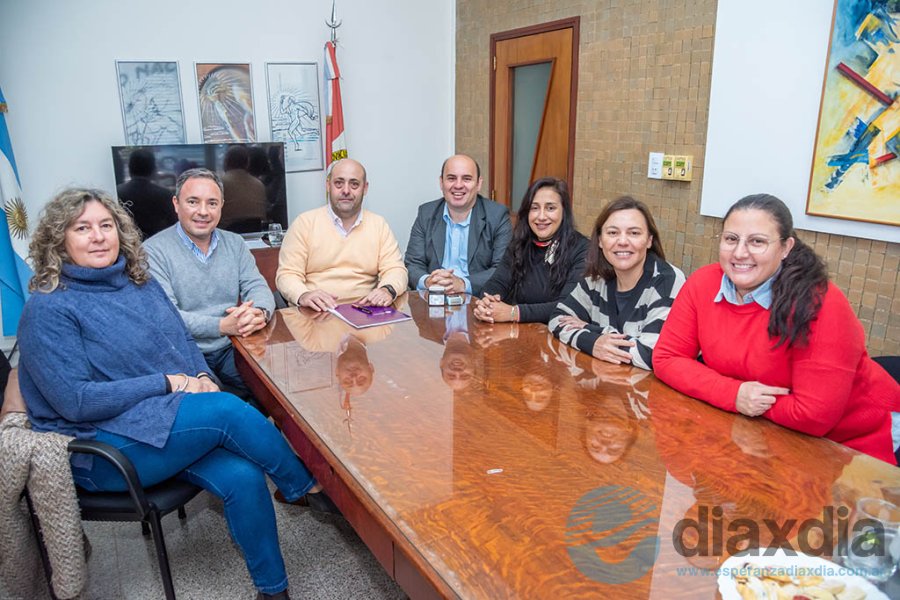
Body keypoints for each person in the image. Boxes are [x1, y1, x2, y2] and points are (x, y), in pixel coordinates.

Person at [17, 188, 318, 599]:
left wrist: (199, 373)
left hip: (157, 424)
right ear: (60, 239)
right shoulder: (48, 307)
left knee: (245, 476)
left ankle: (273, 591)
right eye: (83, 228)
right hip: (101, 447)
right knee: (228, 411)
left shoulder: (136, 282)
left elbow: (178, 340)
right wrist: (171, 383)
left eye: (106, 225)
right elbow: (76, 401)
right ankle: (309, 489)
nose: (99, 236)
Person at [653, 193, 899, 464]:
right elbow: (666, 358)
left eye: (757, 241)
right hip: (761, 434)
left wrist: (737, 398)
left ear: (786, 247)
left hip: (856, 442)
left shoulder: (819, 302)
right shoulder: (703, 283)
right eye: (731, 239)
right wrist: (735, 395)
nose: (740, 253)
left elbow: (813, 416)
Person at [144, 168, 275, 401]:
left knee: (272, 390)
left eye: (212, 203)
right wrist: (223, 325)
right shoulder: (153, 252)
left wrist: (259, 313)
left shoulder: (235, 243)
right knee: (217, 405)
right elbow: (168, 317)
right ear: (176, 204)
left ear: (221, 206)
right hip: (185, 351)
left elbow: (257, 286)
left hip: (233, 345)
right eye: (193, 202)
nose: (203, 212)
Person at [548, 196, 685, 370]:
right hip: (608, 386)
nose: (622, 241)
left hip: (656, 393)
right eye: (612, 233)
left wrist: (593, 331)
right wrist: (593, 342)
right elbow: (557, 319)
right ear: (599, 240)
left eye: (634, 233)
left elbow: (650, 354)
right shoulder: (598, 279)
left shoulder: (668, 282)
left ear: (649, 240)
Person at [276, 158, 407, 310]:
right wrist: (303, 295)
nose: (346, 190)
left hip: (365, 312)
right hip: (315, 313)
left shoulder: (378, 225)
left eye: (354, 184)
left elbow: (396, 269)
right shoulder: (304, 223)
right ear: (328, 185)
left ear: (365, 188)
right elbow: (287, 274)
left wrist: (387, 289)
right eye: (339, 183)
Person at [473, 177, 588, 324]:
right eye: (534, 208)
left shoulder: (582, 249)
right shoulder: (520, 243)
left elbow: (567, 306)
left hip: (558, 338)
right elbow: (497, 282)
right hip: (520, 334)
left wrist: (514, 313)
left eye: (550, 208)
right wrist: (487, 302)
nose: (541, 216)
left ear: (564, 211)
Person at [405, 154, 512, 296]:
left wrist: (462, 284)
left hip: (477, 300)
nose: (458, 185)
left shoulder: (497, 216)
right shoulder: (426, 213)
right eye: (451, 178)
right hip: (433, 299)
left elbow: (502, 269)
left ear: (479, 184)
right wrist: (428, 281)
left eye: (466, 179)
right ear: (441, 182)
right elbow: (412, 263)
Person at [116, 149, 176, 239]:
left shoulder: (117, 192)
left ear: (129, 168)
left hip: (128, 244)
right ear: (153, 169)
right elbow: (175, 225)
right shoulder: (164, 194)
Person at [219, 144, 267, 233]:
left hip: (226, 235)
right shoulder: (259, 184)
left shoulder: (219, 183)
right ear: (247, 163)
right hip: (255, 234)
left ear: (226, 162)